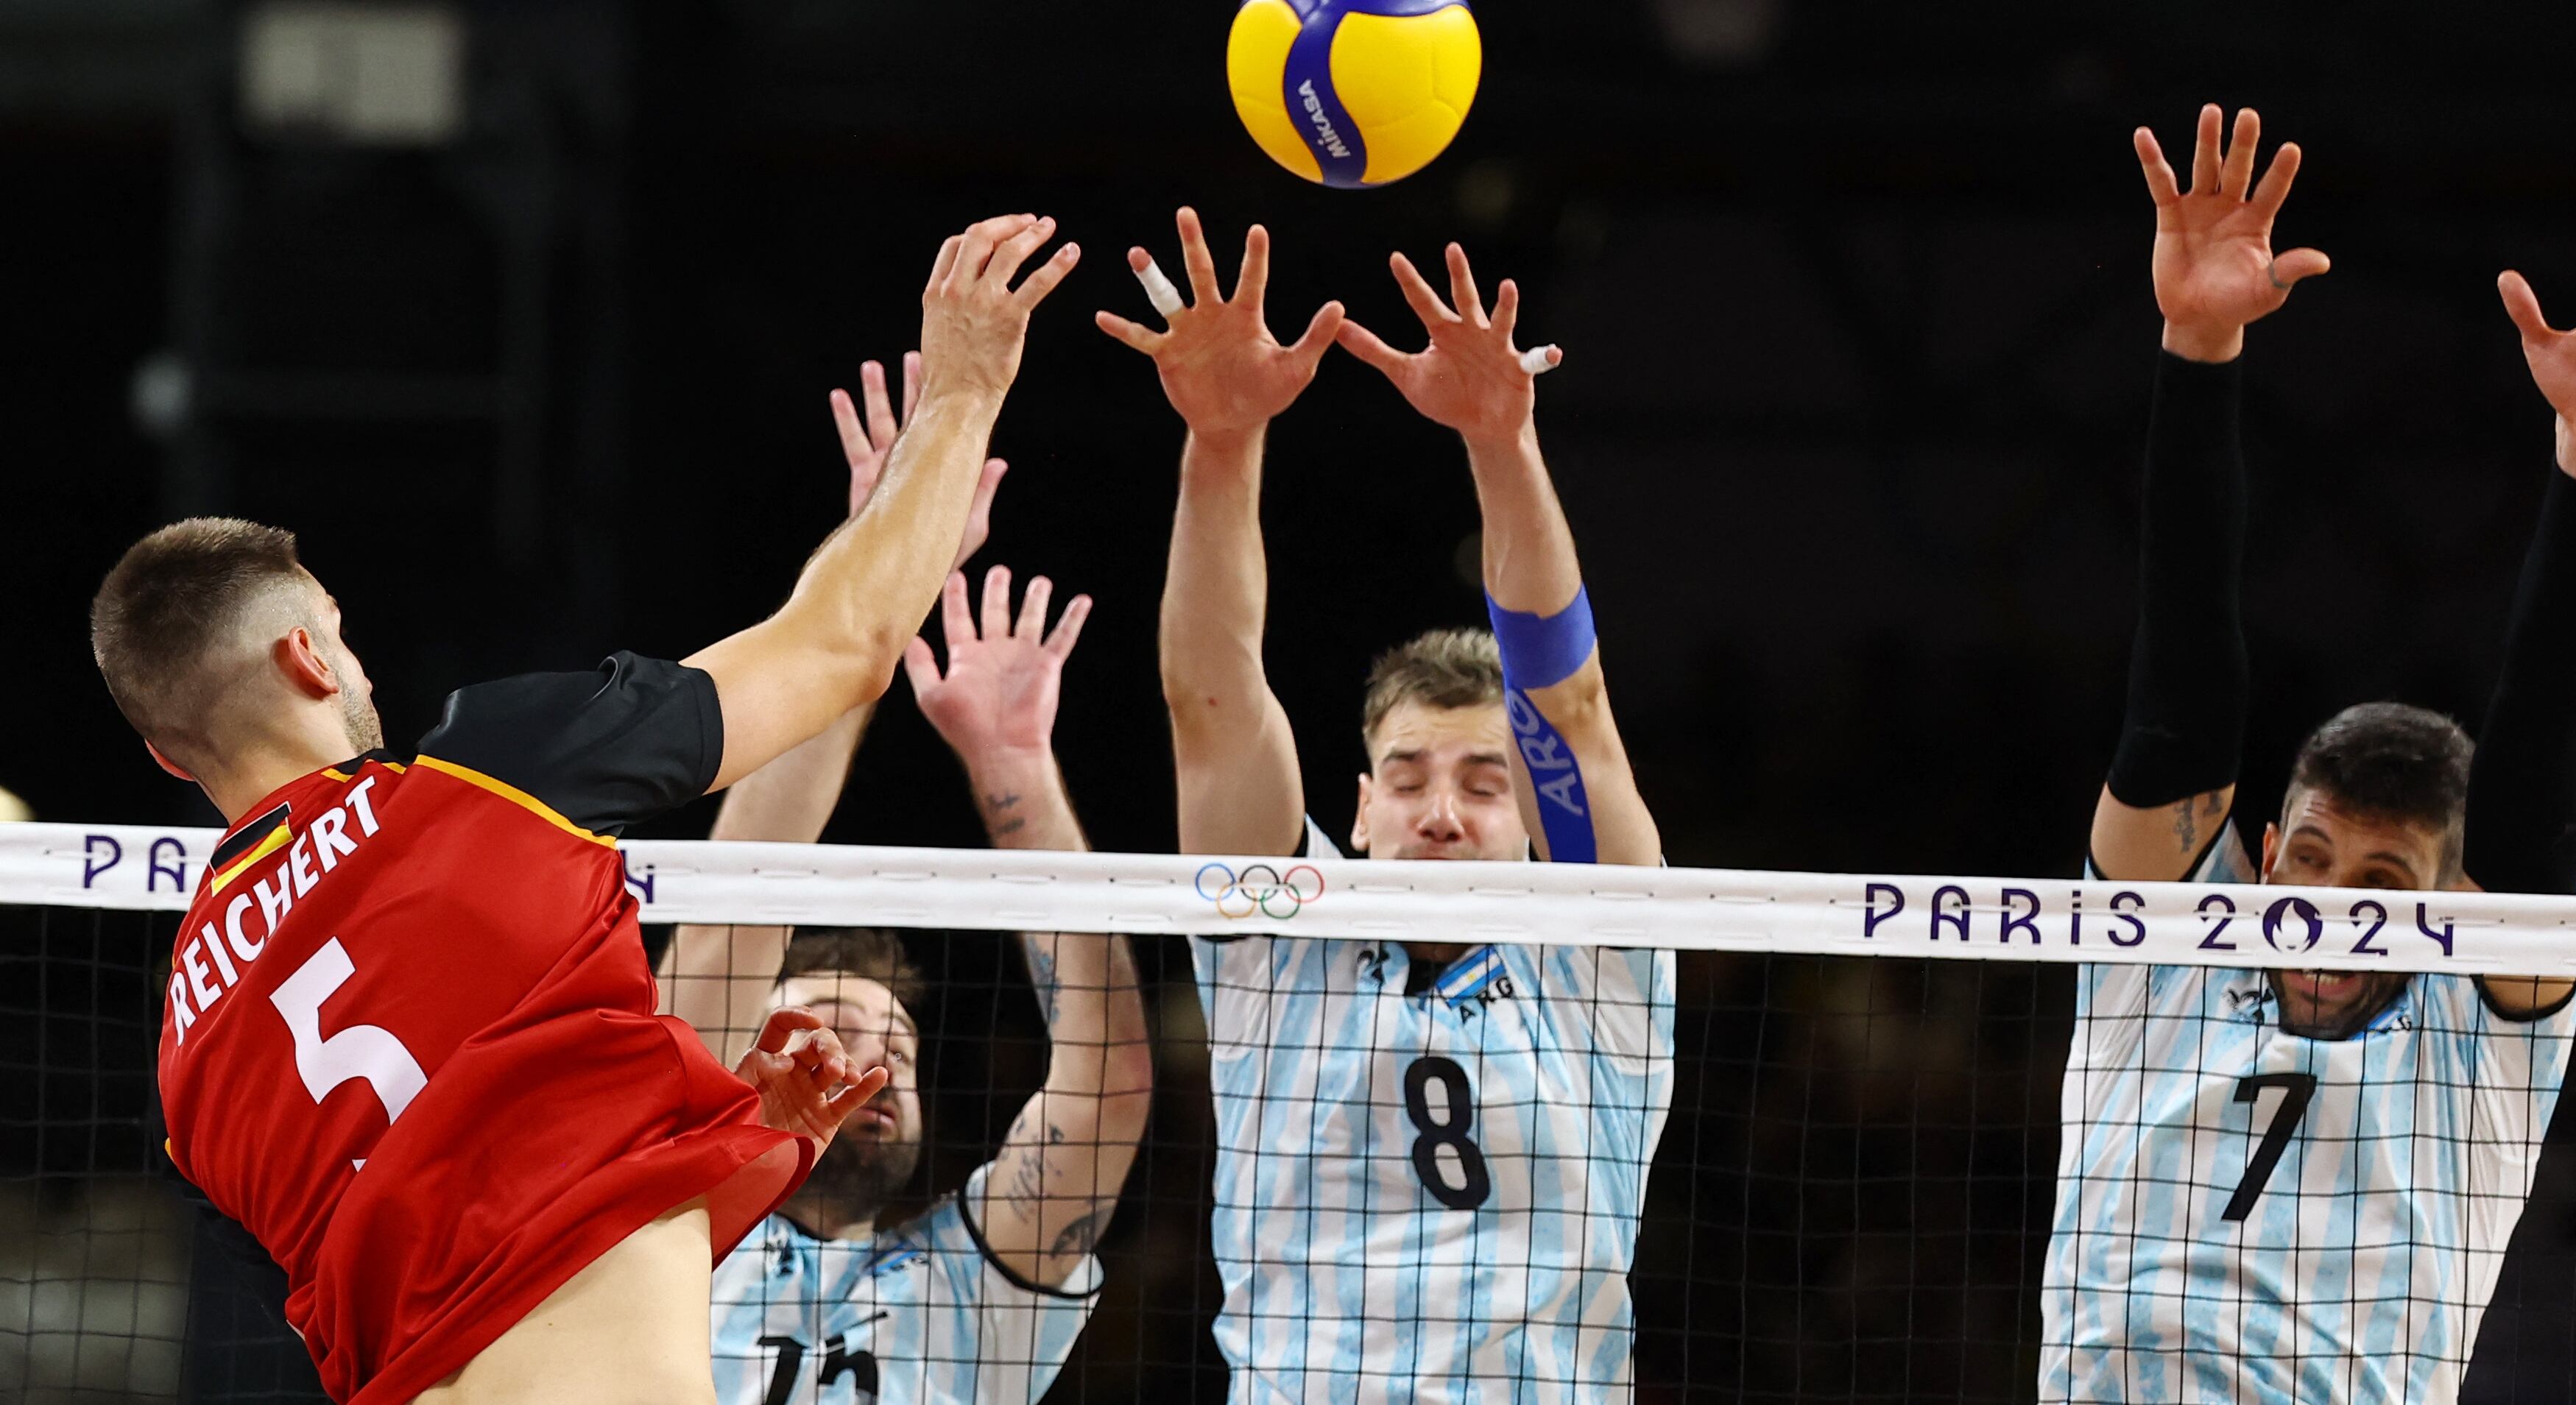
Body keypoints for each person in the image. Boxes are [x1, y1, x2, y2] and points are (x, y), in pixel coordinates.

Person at [94, 214, 1079, 1405]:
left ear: (164, 754)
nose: (360, 670)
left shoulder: (188, 1073)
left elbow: (448, 1260)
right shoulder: (480, 784)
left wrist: (734, 1134)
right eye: (346, 643)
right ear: (308, 656)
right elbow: (845, 643)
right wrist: (964, 394)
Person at [2042, 106, 2576, 1403]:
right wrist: (2198, 345)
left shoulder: (2479, 1047)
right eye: (2305, 856)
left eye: (2381, 889)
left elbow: (2526, 811)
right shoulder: (2167, 961)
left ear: (2449, 910)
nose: (2321, 911)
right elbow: (2176, 708)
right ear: (2255, 853)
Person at [1097, 210, 1672, 1402]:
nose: (1442, 813)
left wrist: (1501, 442)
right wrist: (1222, 440)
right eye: (1408, 779)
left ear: (1530, 821)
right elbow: (1208, 699)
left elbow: (1570, 707)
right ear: (1357, 809)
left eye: (1480, 783)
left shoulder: (1597, 961)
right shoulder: (1276, 944)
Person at [655, 353, 1150, 1405]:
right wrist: (880, 576)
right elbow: (733, 907)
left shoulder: (979, 1279)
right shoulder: (653, 1236)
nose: (861, 1063)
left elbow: (1104, 1085)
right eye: (824, 1028)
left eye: (896, 1051)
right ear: (729, 1067)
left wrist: (1014, 770)